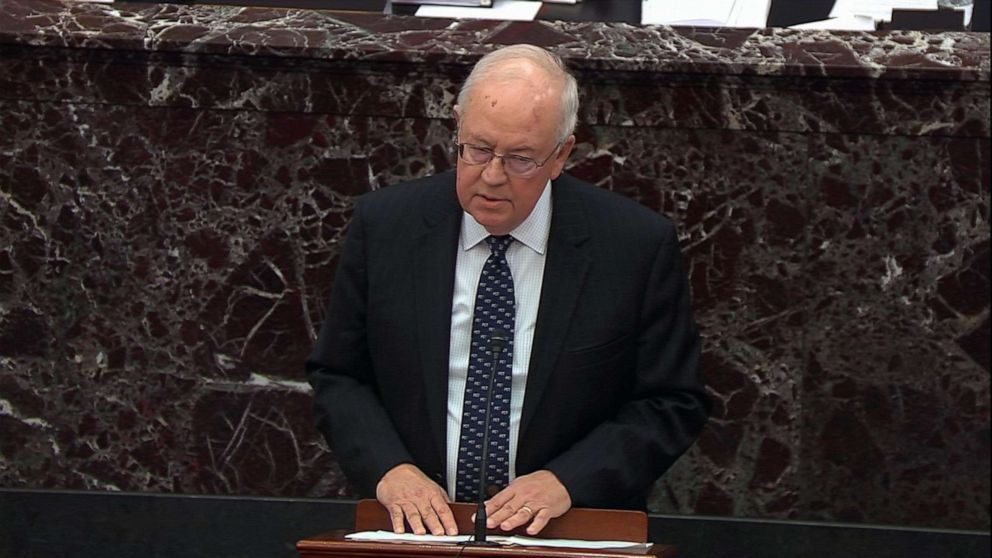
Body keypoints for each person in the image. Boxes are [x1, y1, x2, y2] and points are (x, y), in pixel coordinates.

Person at [306, 44, 709, 538]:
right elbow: (339, 375)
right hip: (416, 530)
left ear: (561, 154)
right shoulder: (387, 226)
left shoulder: (632, 247)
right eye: (477, 149)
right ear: (457, 125)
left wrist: (567, 481)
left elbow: (671, 401)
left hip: (567, 528)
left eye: (521, 159)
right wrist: (390, 471)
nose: (492, 177)